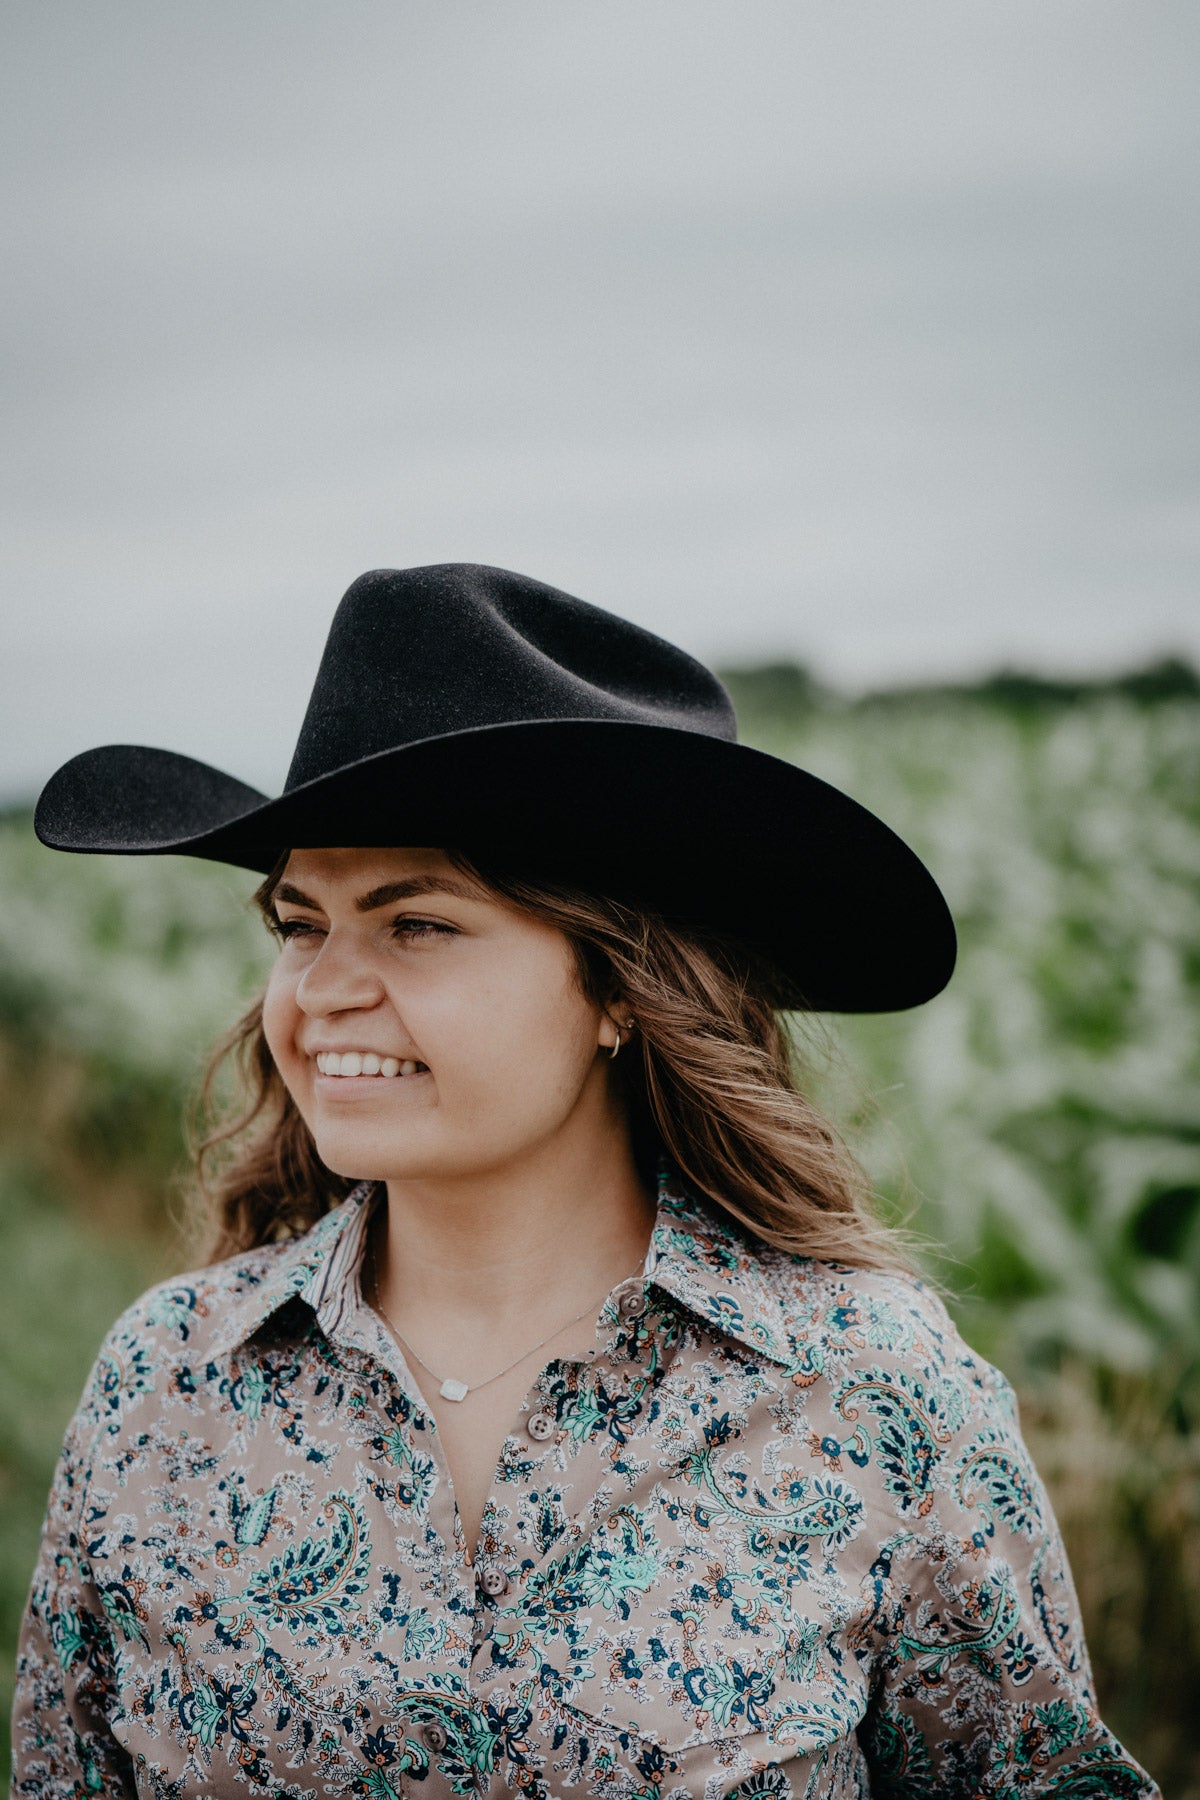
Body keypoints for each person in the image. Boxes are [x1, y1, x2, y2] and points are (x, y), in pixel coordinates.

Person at [14, 564, 1157, 1799]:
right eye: (300, 924)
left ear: (619, 988)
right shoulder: (165, 1386)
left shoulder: (876, 1398)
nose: (321, 988)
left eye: (418, 924)